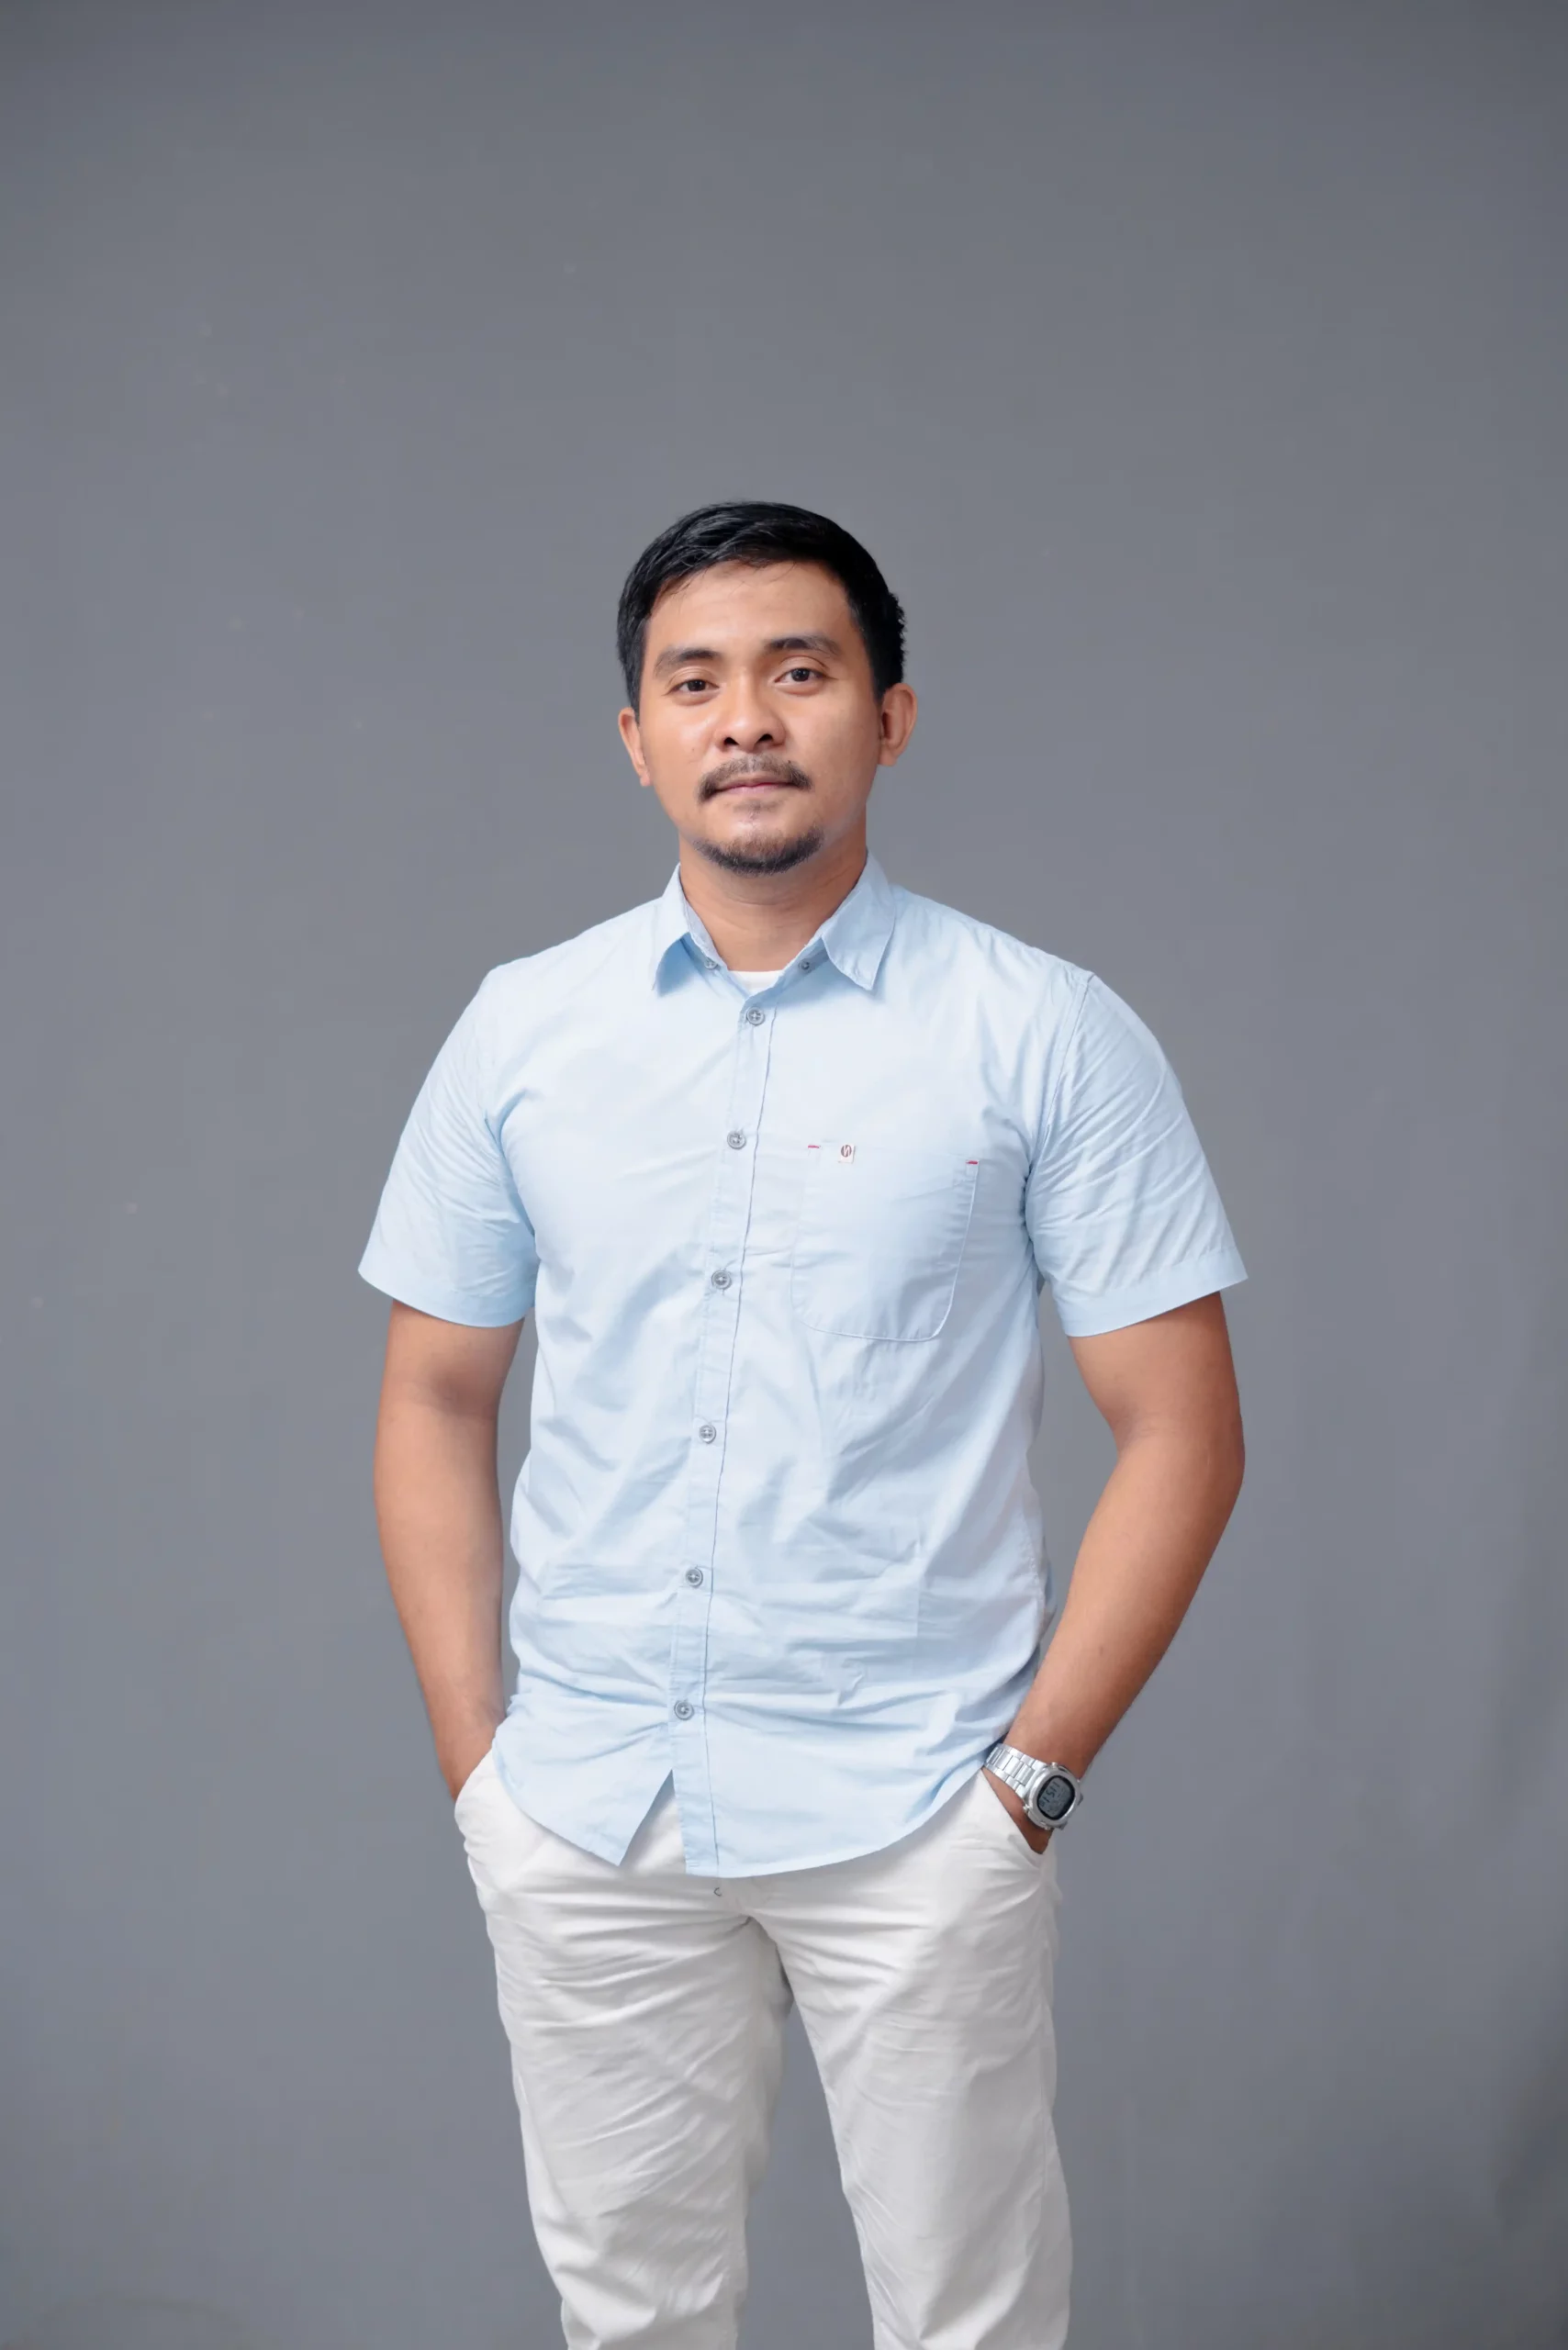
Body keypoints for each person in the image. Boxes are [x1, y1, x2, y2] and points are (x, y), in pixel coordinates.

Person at [358, 500, 1247, 2350]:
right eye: (694, 682)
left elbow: (1182, 1428)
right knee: (634, 2319)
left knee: (969, 2327)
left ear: (888, 717)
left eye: (798, 670)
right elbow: (436, 1392)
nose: (746, 719)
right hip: (590, 1812)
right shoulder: (522, 1032)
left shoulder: (1043, 1033)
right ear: (637, 737)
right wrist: (480, 1771)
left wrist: (1024, 1790)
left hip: (917, 1812)